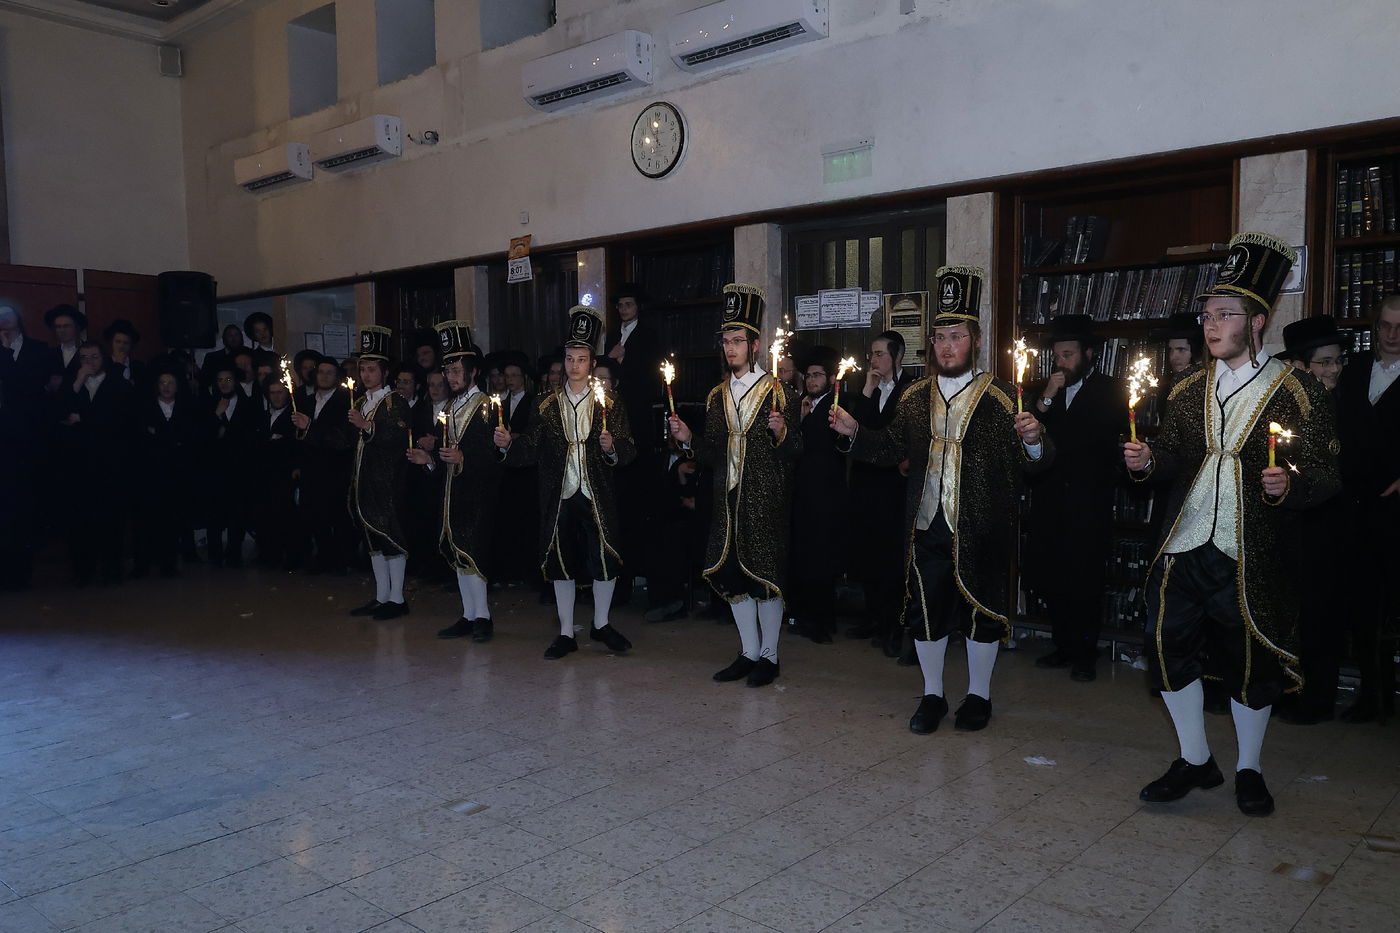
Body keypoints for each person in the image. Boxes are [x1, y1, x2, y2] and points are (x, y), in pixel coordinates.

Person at [1123, 233, 1339, 816]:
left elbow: (1327, 473)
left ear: (1259, 320)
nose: (1211, 325)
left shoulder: (1296, 391)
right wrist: (1148, 464)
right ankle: (1196, 760)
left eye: (1225, 314)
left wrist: (1293, 487)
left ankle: (1248, 767)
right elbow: (1172, 456)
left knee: (1250, 661)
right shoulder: (1190, 388)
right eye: (1206, 315)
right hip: (1185, 541)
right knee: (1166, 647)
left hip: (1252, 548)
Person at [832, 266, 1050, 734]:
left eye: (957, 336)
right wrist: (855, 433)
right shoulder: (914, 397)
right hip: (926, 524)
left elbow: (1035, 463)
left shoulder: (999, 398)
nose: (948, 346)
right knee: (925, 609)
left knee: (981, 611)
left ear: (974, 340)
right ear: (930, 343)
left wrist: (1034, 440)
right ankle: (932, 694)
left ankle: (978, 695)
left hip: (980, 526)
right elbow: (890, 448)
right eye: (940, 337)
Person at [669, 284, 802, 687]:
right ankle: (747, 651)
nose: (730, 349)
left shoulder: (781, 393)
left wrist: (781, 434)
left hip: (766, 500)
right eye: (726, 341)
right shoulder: (716, 396)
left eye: (738, 341)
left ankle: (770, 655)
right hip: (726, 500)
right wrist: (689, 439)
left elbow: (797, 451)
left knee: (763, 579)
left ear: (756, 345)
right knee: (731, 578)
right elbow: (710, 453)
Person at [497, 306, 637, 660]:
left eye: (582, 359)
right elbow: (530, 447)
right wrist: (508, 444)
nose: (575, 365)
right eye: (569, 358)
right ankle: (564, 631)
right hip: (558, 492)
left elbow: (628, 447)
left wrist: (612, 449)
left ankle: (602, 624)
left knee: (603, 556)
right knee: (561, 560)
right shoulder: (545, 404)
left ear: (592, 363)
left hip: (596, 492)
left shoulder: (609, 401)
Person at [1026, 314, 1125, 682]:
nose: (1062, 362)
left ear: (1088, 354)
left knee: (1085, 579)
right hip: (1051, 499)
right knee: (1054, 576)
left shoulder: (1111, 389)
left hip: (1088, 500)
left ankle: (1085, 653)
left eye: (1068, 355)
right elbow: (1028, 431)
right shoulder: (1045, 389)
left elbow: (1097, 436)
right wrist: (1048, 397)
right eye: (1057, 356)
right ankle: (1062, 645)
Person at [409, 321, 502, 642]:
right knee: (459, 555)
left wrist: (464, 459)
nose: (451, 377)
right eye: (448, 371)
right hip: (451, 493)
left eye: (457, 370)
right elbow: (446, 454)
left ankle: (483, 617)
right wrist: (430, 461)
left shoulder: (485, 406)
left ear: (473, 372)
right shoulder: (448, 407)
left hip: (476, 494)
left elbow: (492, 455)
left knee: (473, 554)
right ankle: (468, 613)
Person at [1334, 296, 1400, 723]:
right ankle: (1370, 695)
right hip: (1351, 503)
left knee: (1390, 606)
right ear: (1374, 326)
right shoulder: (1354, 368)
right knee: (1358, 602)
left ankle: (1386, 695)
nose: (1393, 336)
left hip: (1395, 509)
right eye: (1386, 326)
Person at [845, 329, 916, 657]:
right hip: (866, 484)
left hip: (894, 485)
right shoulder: (868, 389)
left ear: (898, 357)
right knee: (868, 554)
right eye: (871, 354)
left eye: (879, 354)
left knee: (891, 560)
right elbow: (855, 433)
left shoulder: (911, 390)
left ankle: (893, 625)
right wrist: (868, 391)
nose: (873, 360)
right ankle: (873, 617)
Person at [346, 325, 413, 620]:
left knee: (390, 537)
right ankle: (381, 595)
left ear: (384, 373)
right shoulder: (360, 402)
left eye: (372, 369)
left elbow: (397, 438)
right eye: (363, 370)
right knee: (373, 540)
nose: (366, 375)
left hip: (388, 482)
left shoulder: (394, 401)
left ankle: (397, 598)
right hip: (365, 483)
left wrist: (367, 426)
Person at [54, 341, 134, 585]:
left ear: (104, 358)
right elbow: (59, 414)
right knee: (80, 520)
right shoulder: (72, 385)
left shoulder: (118, 383)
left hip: (110, 463)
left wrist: (82, 419)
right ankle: (82, 571)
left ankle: (112, 570)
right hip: (79, 464)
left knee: (111, 520)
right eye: (84, 357)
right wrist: (77, 382)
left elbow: (115, 420)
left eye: (94, 356)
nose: (89, 361)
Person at [788, 346, 845, 643]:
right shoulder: (802, 404)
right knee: (805, 556)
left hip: (826, 494)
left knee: (822, 559)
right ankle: (807, 615)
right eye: (808, 375)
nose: (811, 380)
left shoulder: (836, 406)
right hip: (803, 492)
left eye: (817, 375)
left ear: (831, 378)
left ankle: (822, 622)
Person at [132, 364, 198, 578]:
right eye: (162, 383)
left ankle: (168, 564)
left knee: (172, 521)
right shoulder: (145, 408)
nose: (166, 387)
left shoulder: (186, 408)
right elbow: (144, 440)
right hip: (151, 475)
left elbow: (187, 440)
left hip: (177, 475)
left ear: (177, 386)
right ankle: (142, 564)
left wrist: (161, 436)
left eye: (170, 383)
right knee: (147, 521)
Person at [291, 357, 356, 574]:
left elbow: (341, 439)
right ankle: (323, 556)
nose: (324, 376)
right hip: (311, 468)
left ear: (337, 376)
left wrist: (310, 426)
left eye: (329, 372)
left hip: (335, 469)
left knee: (337, 516)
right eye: (321, 372)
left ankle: (340, 559)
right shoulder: (307, 402)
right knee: (313, 514)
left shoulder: (347, 401)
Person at [204, 363, 259, 568]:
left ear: (235, 381)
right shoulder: (208, 404)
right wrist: (216, 416)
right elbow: (202, 437)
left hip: (240, 468)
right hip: (215, 470)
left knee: (238, 512)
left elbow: (251, 436)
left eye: (228, 379)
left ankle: (234, 553)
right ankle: (215, 555)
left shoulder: (249, 404)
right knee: (215, 515)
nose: (224, 384)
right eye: (220, 380)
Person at [253, 380, 300, 569]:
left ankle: (291, 557)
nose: (276, 396)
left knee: (286, 516)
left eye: (280, 392)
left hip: (285, 474)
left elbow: (297, 444)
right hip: (265, 475)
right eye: (272, 393)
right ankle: (269, 555)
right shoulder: (263, 416)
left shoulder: (294, 416)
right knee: (266, 516)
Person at [45, 304, 85, 384]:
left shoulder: (90, 352)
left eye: (66, 326)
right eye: (58, 327)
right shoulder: (49, 354)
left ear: (76, 327)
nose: (62, 330)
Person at [103, 319, 146, 389]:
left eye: (125, 343)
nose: (121, 346)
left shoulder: (138, 367)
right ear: (111, 343)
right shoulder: (103, 364)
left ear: (131, 345)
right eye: (118, 342)